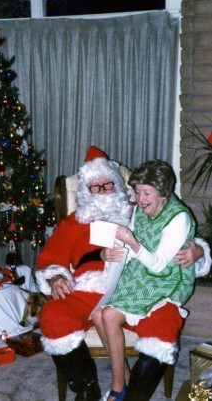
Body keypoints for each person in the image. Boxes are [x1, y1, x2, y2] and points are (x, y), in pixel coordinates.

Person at [36, 147, 210, 401]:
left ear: (118, 185)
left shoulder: (138, 209)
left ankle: (134, 396)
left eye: (108, 184)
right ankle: (87, 388)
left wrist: (199, 253)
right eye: (95, 187)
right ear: (84, 191)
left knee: (165, 322)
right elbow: (51, 258)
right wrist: (56, 277)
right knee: (52, 314)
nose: (103, 191)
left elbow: (176, 235)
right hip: (86, 289)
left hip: (138, 285)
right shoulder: (73, 223)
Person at [92, 159, 203, 401]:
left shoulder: (179, 217)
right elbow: (133, 252)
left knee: (109, 315)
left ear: (162, 192)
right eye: (138, 191)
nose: (140, 198)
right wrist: (113, 251)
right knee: (98, 314)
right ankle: (125, 382)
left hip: (167, 278)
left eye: (146, 192)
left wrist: (132, 242)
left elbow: (160, 263)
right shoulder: (140, 211)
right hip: (142, 272)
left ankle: (117, 388)